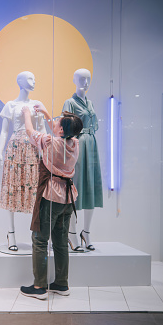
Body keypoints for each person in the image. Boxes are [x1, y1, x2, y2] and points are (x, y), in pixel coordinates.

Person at [20, 103, 83, 300]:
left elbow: (31, 132)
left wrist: (27, 114)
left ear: (62, 130)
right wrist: (47, 114)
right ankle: (61, 284)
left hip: (51, 196)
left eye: (57, 122)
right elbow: (58, 132)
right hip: (67, 198)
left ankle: (39, 286)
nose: (53, 122)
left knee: (39, 240)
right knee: (60, 241)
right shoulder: (74, 144)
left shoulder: (50, 142)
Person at [0, 71, 46, 251]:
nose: (34, 82)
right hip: (15, 149)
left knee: (35, 189)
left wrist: (46, 149)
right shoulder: (11, 105)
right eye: (30, 79)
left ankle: (37, 235)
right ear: (20, 82)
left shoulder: (37, 105)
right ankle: (11, 233)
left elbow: (42, 128)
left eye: (34, 78)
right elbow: (4, 131)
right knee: (12, 188)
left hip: (33, 149)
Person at [62, 69, 103, 252]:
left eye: (88, 78)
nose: (85, 82)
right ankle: (72, 233)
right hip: (77, 146)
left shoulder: (90, 103)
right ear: (73, 79)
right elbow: (66, 129)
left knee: (91, 188)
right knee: (75, 188)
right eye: (81, 78)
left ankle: (86, 232)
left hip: (91, 146)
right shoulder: (69, 103)